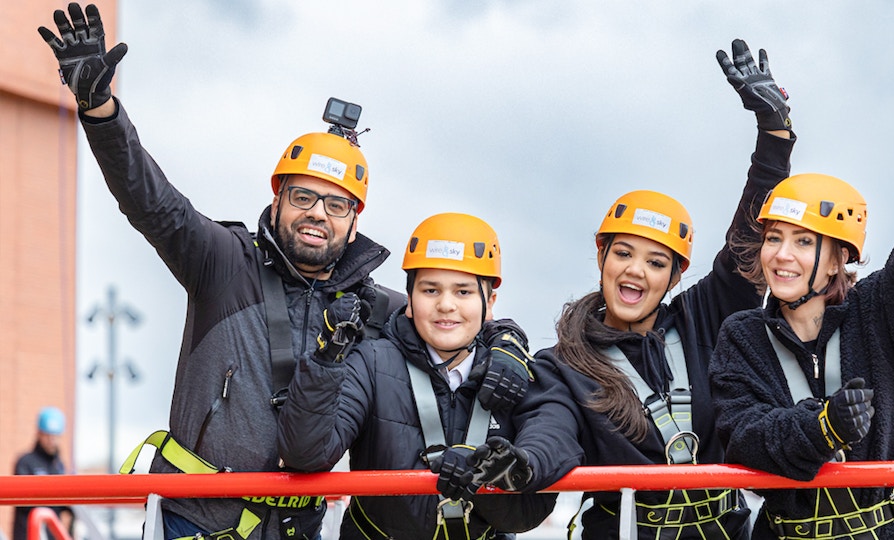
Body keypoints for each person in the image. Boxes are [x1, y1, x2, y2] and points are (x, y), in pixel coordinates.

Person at [36, 4, 404, 540]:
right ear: (276, 201)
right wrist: (101, 111)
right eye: (303, 196)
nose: (317, 214)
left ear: (354, 222)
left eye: (337, 205)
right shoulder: (223, 260)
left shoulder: (374, 310)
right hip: (196, 523)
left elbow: (451, 320)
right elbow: (150, 200)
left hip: (295, 529)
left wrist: (507, 342)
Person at [471, 40, 794, 539]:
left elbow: (748, 242)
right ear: (601, 257)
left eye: (656, 261)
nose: (636, 272)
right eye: (623, 254)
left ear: (675, 276)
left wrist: (774, 135)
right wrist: (524, 465)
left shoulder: (703, 319)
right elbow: (551, 433)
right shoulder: (562, 365)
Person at [708, 76, 894, 539]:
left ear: (838, 259)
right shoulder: (742, 336)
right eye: (774, 238)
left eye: (803, 241)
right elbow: (743, 436)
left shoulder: (883, 313)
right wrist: (823, 427)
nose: (781, 254)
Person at [277, 212, 582, 540]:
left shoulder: (514, 372)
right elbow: (305, 455)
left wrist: (505, 469)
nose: (446, 305)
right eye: (430, 290)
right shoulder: (371, 363)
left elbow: (554, 435)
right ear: (409, 299)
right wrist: (327, 359)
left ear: (490, 302)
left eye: (463, 292)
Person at [12, 408, 74, 540]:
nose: (52, 440)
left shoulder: (59, 466)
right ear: (39, 434)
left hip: (51, 534)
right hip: (28, 534)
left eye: (55, 436)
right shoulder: (25, 462)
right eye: (48, 435)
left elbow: (63, 503)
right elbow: (24, 500)